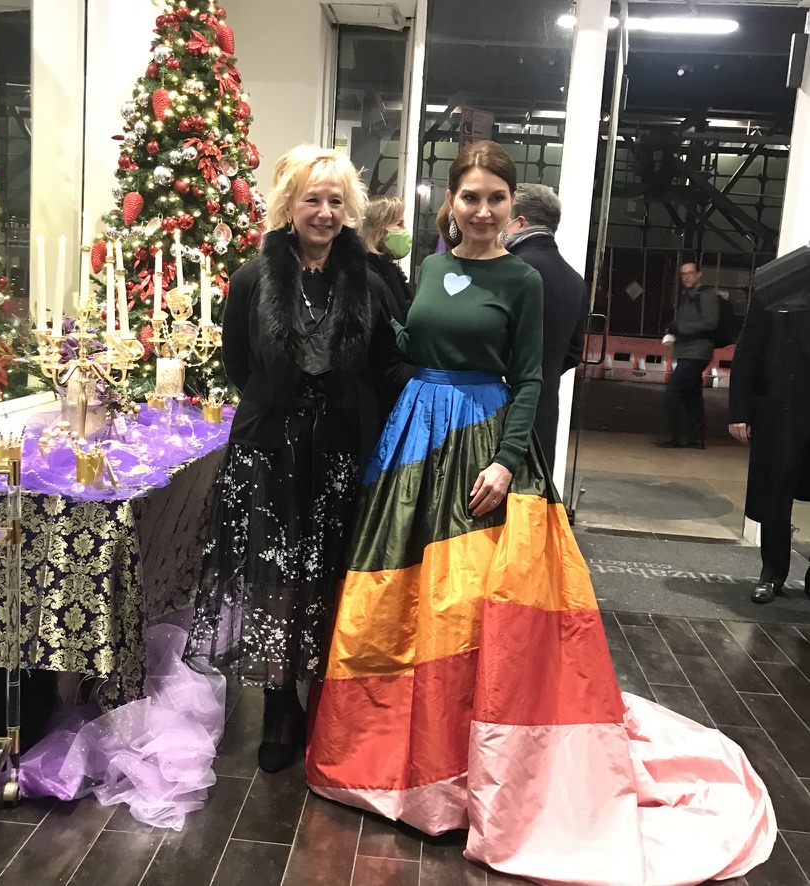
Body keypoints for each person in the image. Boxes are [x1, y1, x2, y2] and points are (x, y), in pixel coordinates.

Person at [305, 141, 774, 885]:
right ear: (450, 202)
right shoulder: (428, 267)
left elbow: (529, 378)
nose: (482, 210)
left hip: (483, 444)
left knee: (472, 610)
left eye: (496, 198)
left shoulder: (523, 280)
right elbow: (413, 346)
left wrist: (505, 460)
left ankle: (467, 766)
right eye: (470, 196)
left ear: (511, 206)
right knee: (402, 602)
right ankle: (393, 752)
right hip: (414, 441)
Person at [184, 144, 409, 774]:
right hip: (268, 453)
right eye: (313, 199)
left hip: (341, 450)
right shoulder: (251, 280)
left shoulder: (371, 282)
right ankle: (281, 705)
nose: (325, 212)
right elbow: (238, 362)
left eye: (336, 201)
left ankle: (329, 701)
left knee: (333, 573)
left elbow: (387, 363)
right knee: (276, 578)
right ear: (289, 205)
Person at [728, 292, 810, 604]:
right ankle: (772, 574)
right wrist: (739, 411)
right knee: (777, 494)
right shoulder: (776, 289)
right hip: (783, 410)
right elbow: (748, 351)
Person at [502, 183, 587, 472]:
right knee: (532, 495)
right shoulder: (575, 280)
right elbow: (573, 353)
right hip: (545, 411)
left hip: (498, 413)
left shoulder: (507, 270)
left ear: (519, 223)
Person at [656, 261, 719, 449]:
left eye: (690, 273)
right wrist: (674, 330)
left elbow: (710, 323)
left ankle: (678, 436)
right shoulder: (687, 296)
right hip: (687, 351)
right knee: (692, 396)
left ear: (699, 274)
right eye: (683, 274)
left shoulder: (706, 296)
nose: (686, 277)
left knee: (673, 392)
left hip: (697, 352)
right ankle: (695, 438)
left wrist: (680, 328)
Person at [358, 194, 413, 324]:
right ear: (378, 230)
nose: (404, 230)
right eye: (399, 224)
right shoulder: (366, 276)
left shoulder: (388, 272)